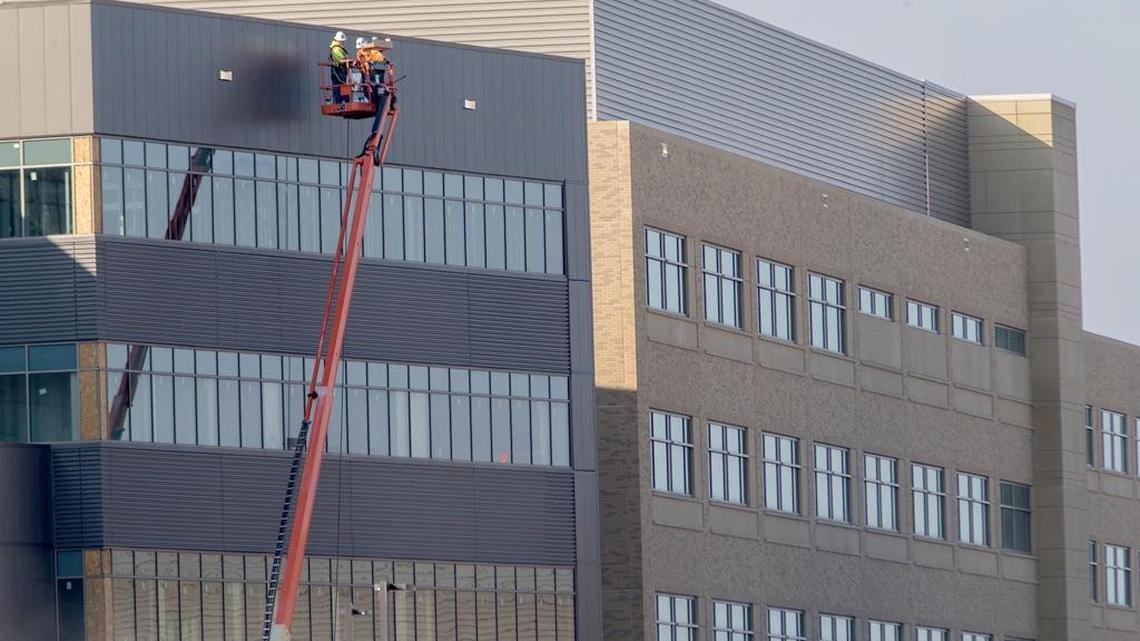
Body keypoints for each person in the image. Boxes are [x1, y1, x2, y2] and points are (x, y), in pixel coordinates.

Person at [328, 31, 349, 103]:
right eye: (342, 41)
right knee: (339, 86)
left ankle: (343, 100)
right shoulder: (336, 49)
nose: (343, 42)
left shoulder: (339, 48)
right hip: (338, 70)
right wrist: (349, 61)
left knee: (342, 86)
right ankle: (339, 102)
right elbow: (341, 59)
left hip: (341, 70)